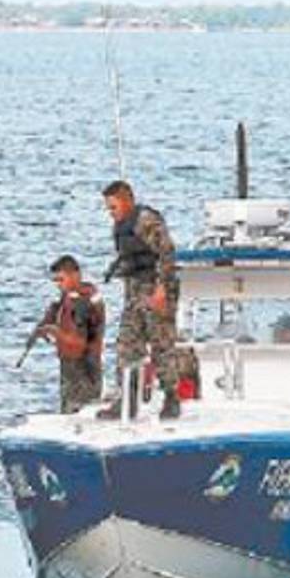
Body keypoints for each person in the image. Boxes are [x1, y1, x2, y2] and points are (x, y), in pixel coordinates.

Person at [98, 180, 182, 420]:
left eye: (113, 207)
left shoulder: (146, 221)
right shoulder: (122, 226)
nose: (111, 213)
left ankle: (171, 397)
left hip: (155, 288)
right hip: (134, 291)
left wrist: (162, 288)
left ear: (127, 201)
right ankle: (127, 399)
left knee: (161, 344)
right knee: (126, 344)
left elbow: (167, 253)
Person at [39, 255, 105, 414]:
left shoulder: (82, 304)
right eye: (56, 281)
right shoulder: (72, 297)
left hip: (82, 372)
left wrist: (55, 332)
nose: (58, 285)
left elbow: (80, 343)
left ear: (75, 275)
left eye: (61, 280)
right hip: (72, 369)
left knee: (77, 411)